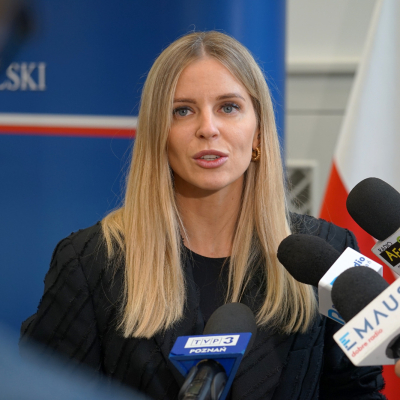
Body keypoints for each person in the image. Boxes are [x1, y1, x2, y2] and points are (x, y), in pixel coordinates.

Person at [20, 31, 385, 399]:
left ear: (258, 132)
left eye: (228, 107)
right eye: (183, 110)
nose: (208, 128)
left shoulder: (328, 252)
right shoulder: (91, 262)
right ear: (158, 134)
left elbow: (358, 393)